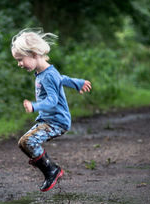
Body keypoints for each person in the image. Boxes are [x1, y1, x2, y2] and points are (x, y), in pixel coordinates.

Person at [11, 29, 91, 192]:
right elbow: (61, 79)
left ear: (33, 54)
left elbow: (53, 101)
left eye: (20, 59)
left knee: (28, 142)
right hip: (48, 120)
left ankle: (51, 171)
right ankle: (50, 168)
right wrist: (77, 83)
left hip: (57, 122)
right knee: (23, 143)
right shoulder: (43, 73)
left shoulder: (48, 75)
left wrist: (35, 106)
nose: (19, 64)